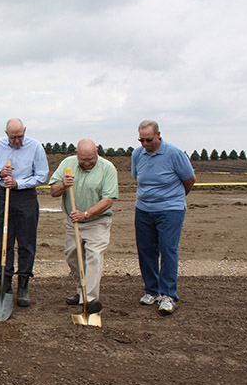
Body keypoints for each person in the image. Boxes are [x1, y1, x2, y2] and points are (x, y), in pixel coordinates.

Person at [132, 120, 196, 315]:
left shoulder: (175, 154)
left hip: (170, 210)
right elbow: (138, 177)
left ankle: (168, 294)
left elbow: (189, 179)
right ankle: (151, 290)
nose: (145, 144)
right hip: (143, 209)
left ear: (158, 135)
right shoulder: (137, 154)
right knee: (146, 250)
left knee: (168, 250)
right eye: (141, 140)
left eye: (149, 139)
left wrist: (173, 200)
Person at [0, 118, 49, 306]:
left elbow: (42, 175)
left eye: (20, 136)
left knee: (26, 242)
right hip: (4, 196)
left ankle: (23, 286)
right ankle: (4, 284)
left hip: (26, 197)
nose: (17, 141)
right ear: (6, 134)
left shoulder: (35, 147)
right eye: (13, 138)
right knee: (3, 241)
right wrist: (1, 174)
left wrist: (19, 183)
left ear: (25, 131)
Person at [48, 139, 118, 313]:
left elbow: (108, 200)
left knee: (93, 256)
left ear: (97, 152)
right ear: (77, 155)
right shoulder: (67, 164)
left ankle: (91, 300)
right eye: (83, 160)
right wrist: (64, 184)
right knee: (73, 256)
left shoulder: (107, 168)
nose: (87, 163)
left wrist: (86, 214)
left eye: (91, 160)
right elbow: (53, 192)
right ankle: (81, 291)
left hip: (97, 221)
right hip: (73, 222)